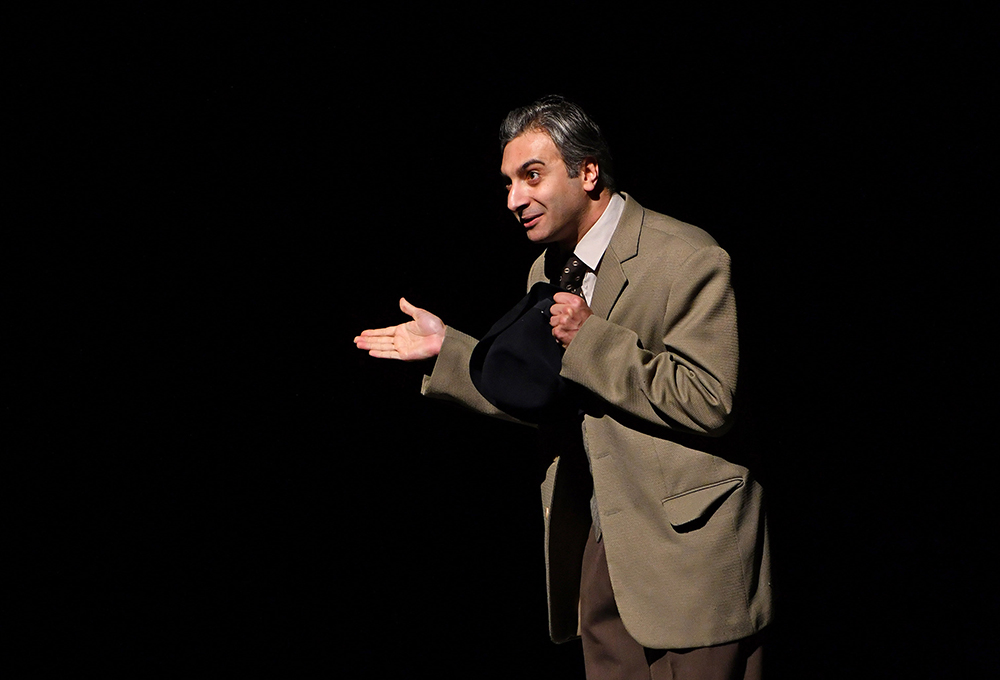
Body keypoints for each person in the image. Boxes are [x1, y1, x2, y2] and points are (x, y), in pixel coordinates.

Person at [354, 95, 772, 679]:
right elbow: (552, 397)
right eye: (508, 183)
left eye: (532, 175)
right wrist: (449, 349)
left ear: (588, 172)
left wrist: (589, 338)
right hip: (601, 544)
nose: (514, 199)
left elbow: (709, 400)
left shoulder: (686, 257)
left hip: (687, 553)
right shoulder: (550, 270)